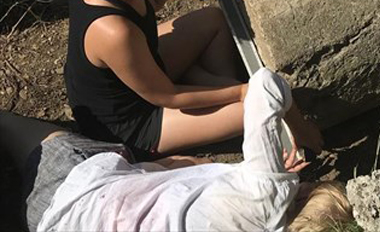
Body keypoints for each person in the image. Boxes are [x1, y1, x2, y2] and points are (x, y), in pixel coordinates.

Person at [64, 0, 322, 159]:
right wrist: (242, 92)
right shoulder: (113, 31)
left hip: (140, 73)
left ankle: (212, 91)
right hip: (133, 123)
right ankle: (263, 126)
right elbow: (168, 96)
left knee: (213, 19)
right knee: (264, 103)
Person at [1, 67, 353, 231]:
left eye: (309, 186)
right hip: (52, 225)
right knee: (180, 168)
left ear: (303, 197)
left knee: (10, 125)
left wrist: (300, 129)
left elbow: (266, 84)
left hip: (76, 187)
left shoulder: (264, 196)